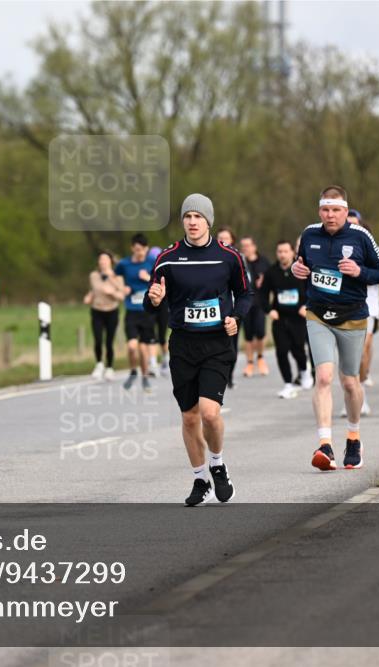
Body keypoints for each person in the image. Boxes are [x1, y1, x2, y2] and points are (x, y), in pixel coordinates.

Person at [145, 194, 253, 506]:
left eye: (198, 217)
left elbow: (245, 293)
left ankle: (217, 463)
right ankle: (199, 478)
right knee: (190, 417)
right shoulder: (167, 258)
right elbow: (151, 302)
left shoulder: (228, 257)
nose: (192, 222)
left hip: (217, 344)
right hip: (182, 344)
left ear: (208, 220)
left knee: (209, 412)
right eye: (187, 217)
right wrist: (154, 299)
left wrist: (236, 317)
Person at [292, 185, 379, 471]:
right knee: (323, 377)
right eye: (325, 209)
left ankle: (353, 437)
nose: (330, 215)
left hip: (352, 316)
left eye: (336, 210)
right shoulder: (310, 234)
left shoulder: (361, 236)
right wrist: (296, 272)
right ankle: (325, 445)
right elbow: (302, 268)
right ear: (319, 211)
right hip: (318, 314)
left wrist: (360, 272)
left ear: (346, 211)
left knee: (350, 382)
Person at [346, 213, 379, 416]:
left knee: (362, 350)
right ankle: (351, 395)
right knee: (347, 356)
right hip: (342, 306)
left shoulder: (370, 247)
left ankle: (360, 393)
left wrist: (360, 273)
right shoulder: (337, 246)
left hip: (368, 307)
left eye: (355, 225)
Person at [260, 240, 310, 399]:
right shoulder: (271, 272)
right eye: (279, 252)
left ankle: (304, 371)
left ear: (292, 253)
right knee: (281, 351)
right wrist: (269, 310)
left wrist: (307, 306)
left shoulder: (301, 271)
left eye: (285, 251)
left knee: (298, 349)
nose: (282, 254)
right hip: (280, 318)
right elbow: (262, 294)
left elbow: (313, 289)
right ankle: (288, 384)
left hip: (298, 317)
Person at [115, 234, 156, 392]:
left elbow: (161, 280)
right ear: (133, 248)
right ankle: (133, 371)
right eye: (137, 249)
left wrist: (148, 278)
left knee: (143, 349)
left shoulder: (151, 262)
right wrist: (121, 288)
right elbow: (115, 277)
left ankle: (145, 377)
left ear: (147, 249)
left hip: (147, 311)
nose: (140, 253)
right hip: (131, 311)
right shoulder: (124, 264)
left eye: (143, 250)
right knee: (132, 347)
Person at [83, 251, 124, 381]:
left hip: (112, 311)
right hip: (97, 311)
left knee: (109, 342)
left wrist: (112, 292)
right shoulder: (93, 276)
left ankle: (110, 368)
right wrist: (89, 297)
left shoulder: (118, 277)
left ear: (110, 262)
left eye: (105, 260)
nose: (102, 262)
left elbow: (121, 296)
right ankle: (99, 364)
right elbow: (93, 291)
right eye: (100, 260)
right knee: (98, 339)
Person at [239, 236, 271, 377]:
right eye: (243, 246)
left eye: (248, 245)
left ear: (254, 247)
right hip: (245, 303)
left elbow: (272, 280)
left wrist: (264, 282)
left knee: (260, 332)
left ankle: (261, 358)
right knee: (248, 335)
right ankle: (250, 363)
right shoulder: (239, 262)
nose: (245, 248)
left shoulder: (263, 261)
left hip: (260, 303)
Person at [216, 228, 241, 388]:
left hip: (234, 309)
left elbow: (245, 286)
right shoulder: (212, 257)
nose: (224, 240)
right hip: (217, 308)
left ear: (232, 240)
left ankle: (229, 375)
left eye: (226, 238)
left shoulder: (237, 257)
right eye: (220, 238)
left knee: (232, 345)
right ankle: (218, 376)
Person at [145, 244, 170, 377]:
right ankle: (153, 363)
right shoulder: (147, 268)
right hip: (150, 304)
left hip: (164, 305)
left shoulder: (164, 268)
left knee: (161, 335)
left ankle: (166, 360)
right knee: (150, 335)